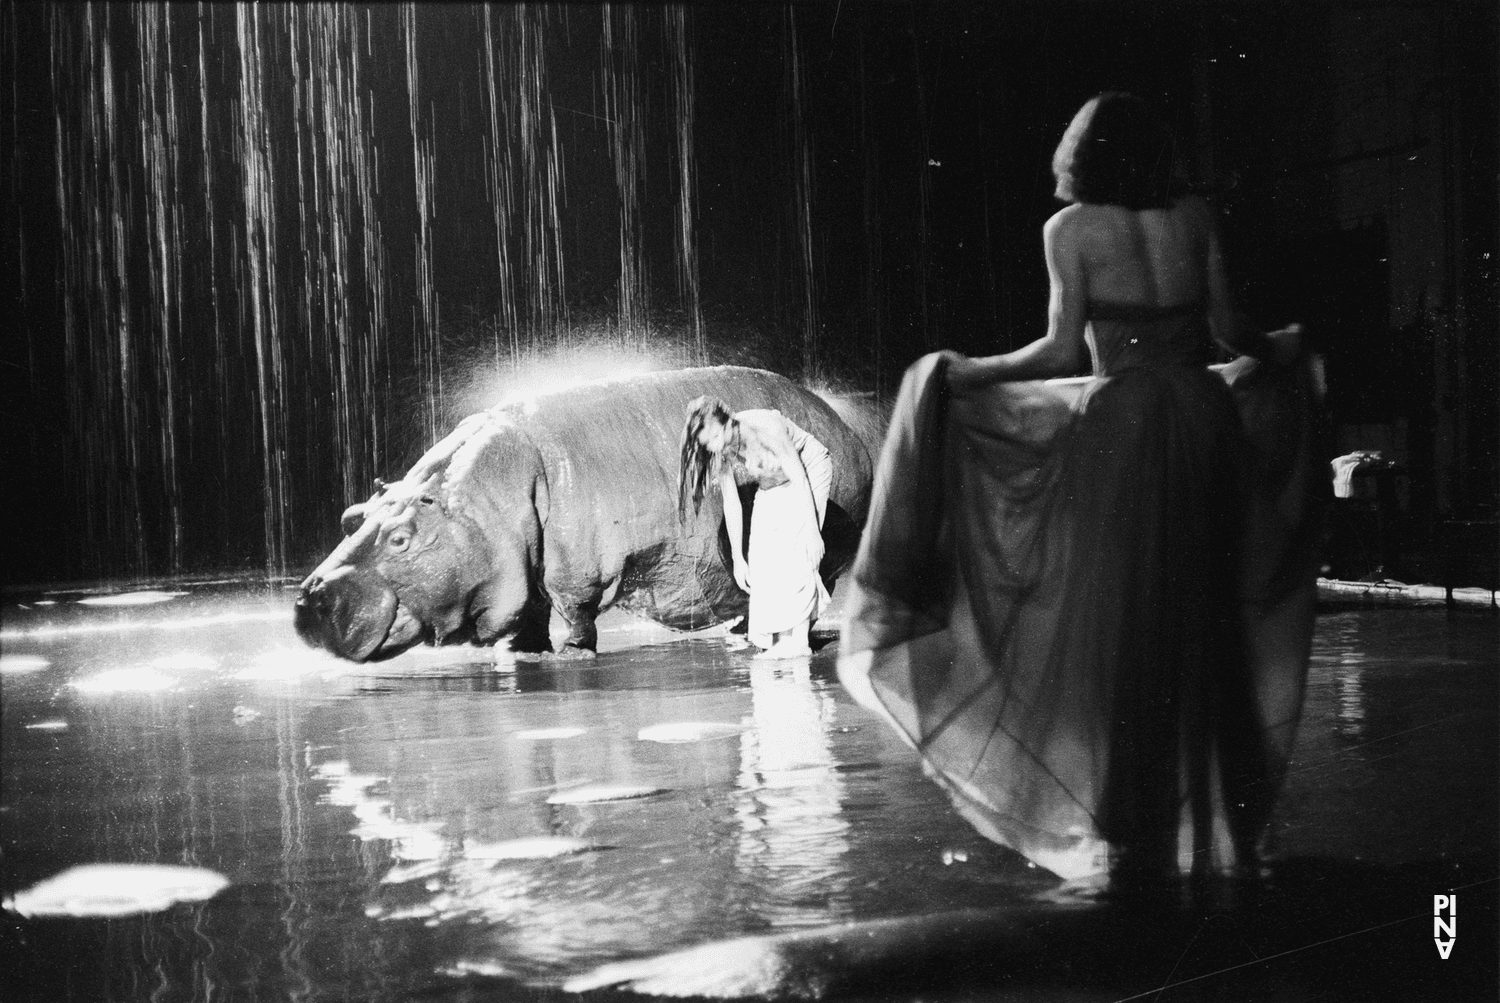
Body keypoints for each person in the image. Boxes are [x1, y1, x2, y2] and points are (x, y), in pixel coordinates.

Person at [838, 93, 1325, 894]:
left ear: (1085, 154)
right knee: (1205, 624)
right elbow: (1234, 335)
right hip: (1204, 426)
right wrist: (1290, 349)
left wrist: (964, 371)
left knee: (1129, 631)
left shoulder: (1068, 230)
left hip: (1126, 436)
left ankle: (1136, 836)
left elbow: (1062, 348)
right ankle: (1230, 824)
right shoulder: (1194, 216)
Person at [679, 396, 834, 659]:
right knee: (761, 556)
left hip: (807, 469)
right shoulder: (719, 452)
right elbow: (732, 503)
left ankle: (797, 642)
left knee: (799, 549)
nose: (715, 445)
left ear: (728, 422)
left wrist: (812, 530)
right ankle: (777, 641)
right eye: (708, 442)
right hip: (773, 479)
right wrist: (739, 558)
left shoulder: (765, 425)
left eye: (717, 435)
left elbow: (799, 476)